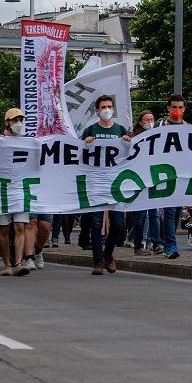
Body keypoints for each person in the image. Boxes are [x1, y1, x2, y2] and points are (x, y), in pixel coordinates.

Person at [80, 95, 131, 276]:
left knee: (118, 224)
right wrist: (85, 144)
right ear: (97, 111)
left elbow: (129, 157)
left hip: (116, 184)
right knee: (95, 224)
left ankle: (108, 253)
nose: (107, 109)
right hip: (96, 183)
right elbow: (77, 155)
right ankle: (98, 262)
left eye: (110, 106)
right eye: (103, 107)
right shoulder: (90, 130)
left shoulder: (120, 130)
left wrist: (127, 144)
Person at [0, 108, 33, 277]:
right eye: (14, 120)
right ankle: (7, 264)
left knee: (19, 226)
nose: (18, 123)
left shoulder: (28, 143)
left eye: (20, 120)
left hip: (20, 189)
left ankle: (18, 262)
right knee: (3, 229)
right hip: (1, 189)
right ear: (7, 122)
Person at [126, 110, 162, 255]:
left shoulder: (158, 136)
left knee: (155, 214)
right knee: (141, 215)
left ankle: (157, 243)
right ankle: (139, 245)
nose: (149, 122)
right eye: (146, 120)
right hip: (140, 181)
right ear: (140, 122)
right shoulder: (134, 138)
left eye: (151, 119)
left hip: (154, 179)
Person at [159, 95, 189, 260]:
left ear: (184, 109)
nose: (177, 110)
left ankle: (165, 241)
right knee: (170, 212)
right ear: (168, 108)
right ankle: (170, 245)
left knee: (176, 212)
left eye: (180, 107)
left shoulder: (187, 127)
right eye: (174, 107)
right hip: (164, 174)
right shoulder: (160, 125)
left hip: (181, 175)